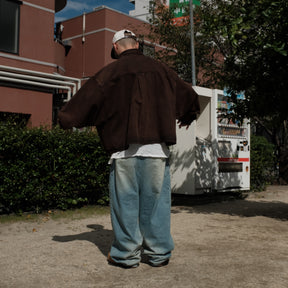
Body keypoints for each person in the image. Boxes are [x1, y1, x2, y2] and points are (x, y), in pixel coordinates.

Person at [58, 29, 200, 269]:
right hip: (156, 149)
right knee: (157, 205)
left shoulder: (108, 73)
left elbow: (82, 103)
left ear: (115, 48)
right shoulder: (162, 70)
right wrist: (188, 114)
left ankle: (126, 255)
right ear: (137, 44)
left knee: (125, 205)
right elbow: (189, 95)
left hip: (123, 152)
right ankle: (159, 254)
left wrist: (65, 119)